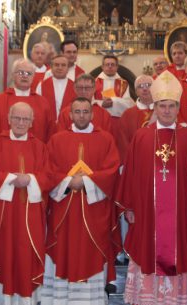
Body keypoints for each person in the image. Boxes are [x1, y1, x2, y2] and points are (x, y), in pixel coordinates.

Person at [116, 70, 187, 305]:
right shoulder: (142, 136)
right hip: (147, 213)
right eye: (162, 106)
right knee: (148, 250)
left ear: (178, 108)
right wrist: (130, 206)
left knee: (177, 249)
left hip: (179, 214)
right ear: (154, 108)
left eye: (171, 106)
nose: (166, 111)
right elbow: (131, 174)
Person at [40, 97, 121, 304]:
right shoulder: (57, 140)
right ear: (70, 114)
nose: (82, 116)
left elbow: (112, 171)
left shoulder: (105, 139)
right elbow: (48, 170)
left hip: (95, 209)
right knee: (63, 247)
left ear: (92, 114)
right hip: (64, 208)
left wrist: (86, 182)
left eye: (86, 112)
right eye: (78, 112)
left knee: (92, 250)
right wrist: (68, 182)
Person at [0, 102, 49, 304]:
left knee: (27, 255)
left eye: (25, 119)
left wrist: (30, 180)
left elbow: (48, 175)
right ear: (8, 119)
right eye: (16, 118)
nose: (20, 122)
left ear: (32, 122)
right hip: (3, 213)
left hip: (31, 213)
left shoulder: (40, 147)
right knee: (4, 254)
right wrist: (10, 178)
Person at [0, 58, 55, 149]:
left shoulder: (43, 103)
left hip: (34, 155)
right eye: (20, 72)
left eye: (29, 73)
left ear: (33, 77)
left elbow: (50, 134)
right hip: (3, 154)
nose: (25, 76)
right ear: (13, 75)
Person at [116, 75, 155, 163]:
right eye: (140, 86)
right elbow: (123, 143)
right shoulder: (127, 114)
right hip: (136, 161)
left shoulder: (164, 111)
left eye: (148, 85)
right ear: (136, 92)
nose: (145, 89)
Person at [94, 55, 135, 123]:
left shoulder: (123, 84)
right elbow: (89, 101)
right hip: (99, 119)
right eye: (107, 64)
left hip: (117, 121)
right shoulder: (94, 82)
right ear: (102, 67)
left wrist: (113, 100)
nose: (110, 66)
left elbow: (128, 103)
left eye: (112, 64)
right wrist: (101, 104)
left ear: (117, 67)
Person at [36, 55, 77, 120]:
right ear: (51, 68)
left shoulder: (75, 86)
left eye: (63, 65)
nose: (60, 68)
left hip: (68, 123)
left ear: (68, 68)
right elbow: (38, 107)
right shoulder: (41, 85)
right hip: (47, 123)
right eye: (56, 65)